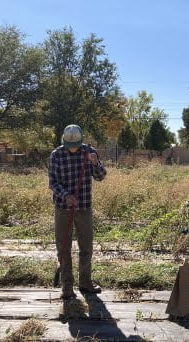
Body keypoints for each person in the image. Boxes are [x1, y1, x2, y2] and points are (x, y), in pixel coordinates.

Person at [49, 124, 107, 299]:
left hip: (84, 208)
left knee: (86, 247)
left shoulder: (89, 152)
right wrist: (66, 195)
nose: (73, 150)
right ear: (64, 141)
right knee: (64, 248)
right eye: (70, 147)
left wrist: (95, 163)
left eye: (75, 146)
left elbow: (101, 176)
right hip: (63, 208)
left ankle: (85, 282)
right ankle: (67, 287)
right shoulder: (56, 155)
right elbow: (52, 182)